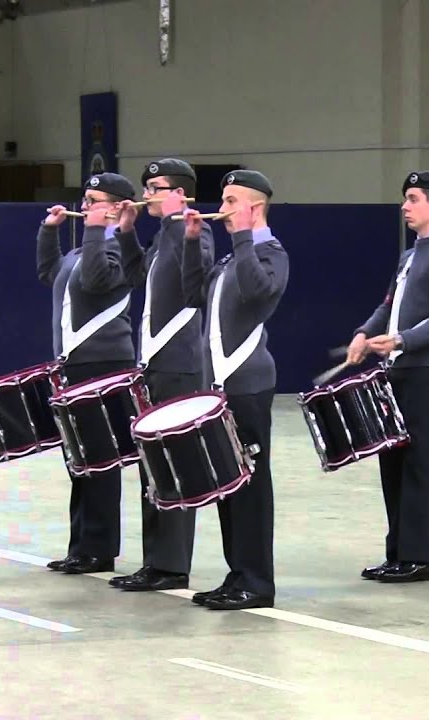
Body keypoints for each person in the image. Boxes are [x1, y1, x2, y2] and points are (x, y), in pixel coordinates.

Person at [348, 170, 429, 584]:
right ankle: (397, 550)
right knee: (393, 460)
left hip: (426, 371)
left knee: (418, 463)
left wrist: (400, 340)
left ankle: (418, 557)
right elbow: (389, 303)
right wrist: (364, 334)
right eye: (405, 197)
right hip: (397, 370)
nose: (405, 205)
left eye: (414, 198)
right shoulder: (411, 255)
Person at [180, 170, 288, 610]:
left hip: (248, 386)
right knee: (228, 484)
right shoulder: (228, 261)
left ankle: (257, 582)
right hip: (219, 387)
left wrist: (243, 237)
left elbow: (258, 292)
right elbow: (192, 296)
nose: (222, 208)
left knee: (251, 486)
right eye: (222, 200)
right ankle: (237, 573)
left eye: (230, 201)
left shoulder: (272, 253)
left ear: (254, 207)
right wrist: (191, 244)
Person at [108, 158, 214, 592]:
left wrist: (186, 235)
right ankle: (156, 560)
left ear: (180, 194)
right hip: (154, 363)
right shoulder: (162, 236)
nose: (146, 193)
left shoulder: (194, 231)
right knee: (153, 467)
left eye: (155, 187)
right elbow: (134, 276)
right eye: (146, 186)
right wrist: (128, 232)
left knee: (174, 466)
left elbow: (200, 281)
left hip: (179, 364)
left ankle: (171, 564)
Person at [36, 172, 138, 575]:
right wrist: (49, 231)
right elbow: (50, 273)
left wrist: (96, 230)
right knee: (78, 458)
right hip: (75, 362)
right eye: (85, 197)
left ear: (115, 207)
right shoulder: (85, 249)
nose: (85, 204)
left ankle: (99, 547)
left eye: (93, 199)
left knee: (99, 457)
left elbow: (98, 280)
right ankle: (80, 545)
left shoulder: (116, 250)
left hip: (104, 361)